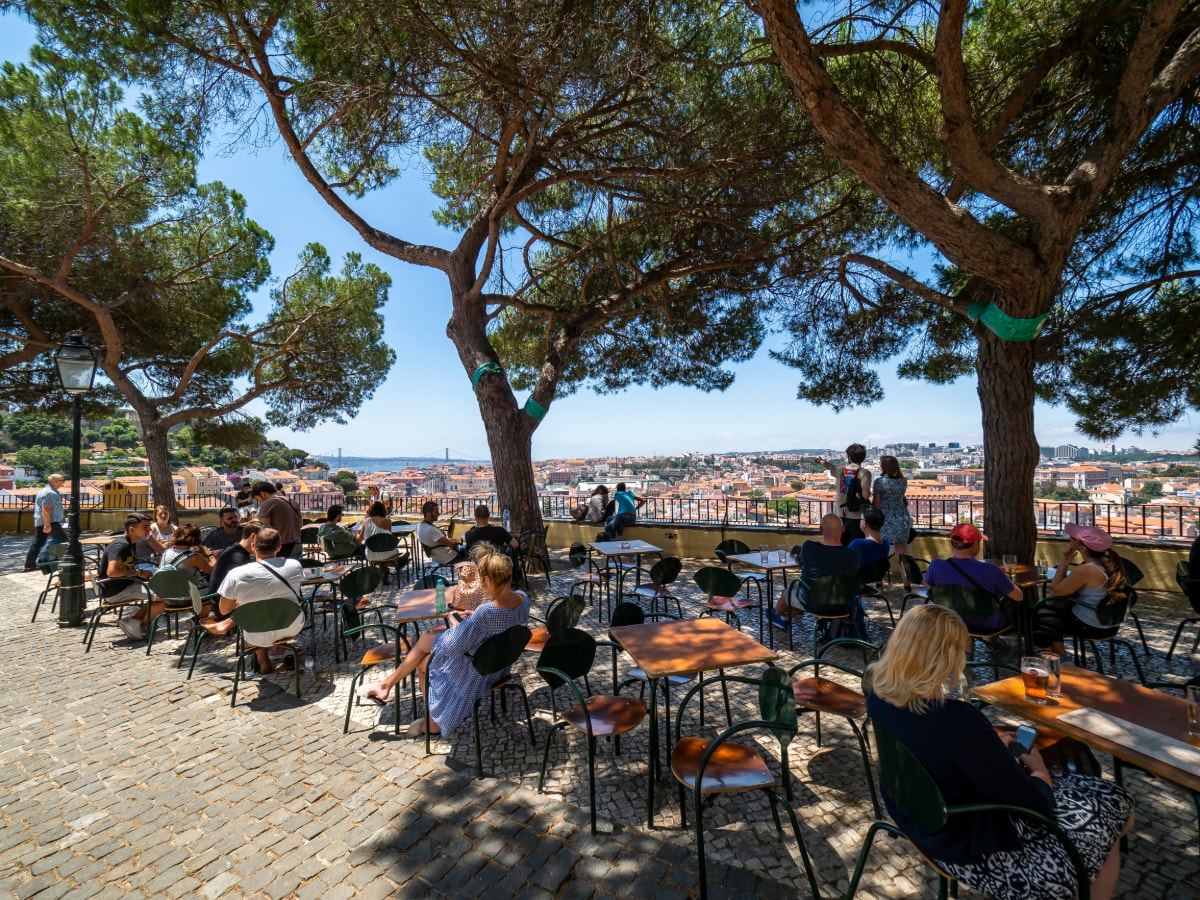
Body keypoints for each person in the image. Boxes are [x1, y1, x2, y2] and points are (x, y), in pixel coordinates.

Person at [867, 604, 1133, 900]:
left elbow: (939, 751)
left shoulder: (878, 695)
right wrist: (1039, 769)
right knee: (1119, 803)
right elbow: (1032, 805)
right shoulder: (959, 720)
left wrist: (990, 751)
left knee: (1110, 798)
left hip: (917, 815)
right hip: (968, 841)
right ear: (950, 655)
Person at [364, 544, 530, 737]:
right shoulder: (522, 599)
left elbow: (451, 646)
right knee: (428, 641)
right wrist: (472, 618)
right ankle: (386, 686)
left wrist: (454, 623)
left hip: (479, 670)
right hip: (500, 662)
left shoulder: (486, 612)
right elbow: (500, 627)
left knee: (423, 659)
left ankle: (430, 721)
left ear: (487, 580)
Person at [217, 527, 305, 674]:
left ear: (253, 547)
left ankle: (264, 663)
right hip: (291, 625)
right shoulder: (294, 565)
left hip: (255, 631)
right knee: (268, 611)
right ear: (279, 547)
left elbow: (224, 610)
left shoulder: (236, 574)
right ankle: (280, 649)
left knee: (256, 618)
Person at [1034, 524, 1129, 657]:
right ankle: (1059, 658)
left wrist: (1064, 562)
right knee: (1047, 614)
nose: (1070, 540)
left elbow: (1057, 590)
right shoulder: (1110, 563)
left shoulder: (1086, 570)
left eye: (1072, 539)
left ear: (1082, 548)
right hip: (1110, 623)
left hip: (1092, 626)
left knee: (1037, 617)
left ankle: (1061, 661)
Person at [924, 523, 1021, 636]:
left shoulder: (936, 566)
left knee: (962, 608)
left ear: (952, 543)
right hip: (987, 622)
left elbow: (927, 584)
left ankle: (969, 649)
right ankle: (992, 642)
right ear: (975, 545)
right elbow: (1018, 597)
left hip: (951, 620)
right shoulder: (991, 570)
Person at [774, 514, 860, 629]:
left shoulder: (809, 547)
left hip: (812, 603)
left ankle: (777, 617)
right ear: (843, 529)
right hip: (843, 605)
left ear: (820, 529)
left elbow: (800, 561)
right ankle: (787, 616)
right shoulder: (854, 555)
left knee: (788, 591)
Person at [104, 513, 158, 641]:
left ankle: (137, 624)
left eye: (149, 526)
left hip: (126, 585)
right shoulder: (121, 545)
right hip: (116, 591)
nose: (149, 530)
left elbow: (126, 569)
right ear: (132, 529)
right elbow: (112, 572)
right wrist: (138, 573)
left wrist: (140, 573)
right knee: (165, 597)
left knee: (163, 591)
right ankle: (135, 623)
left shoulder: (130, 543)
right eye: (145, 527)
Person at [207, 521, 262, 629]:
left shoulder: (236, 550)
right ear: (253, 536)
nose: (263, 545)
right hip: (222, 606)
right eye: (262, 541)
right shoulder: (237, 557)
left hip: (219, 600)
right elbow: (238, 587)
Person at [817, 443, 872, 544]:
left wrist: (820, 461)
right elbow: (865, 495)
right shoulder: (864, 473)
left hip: (839, 515)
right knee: (856, 547)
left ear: (849, 457)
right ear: (863, 458)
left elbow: (829, 466)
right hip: (856, 516)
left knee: (840, 544)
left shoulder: (840, 470)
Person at [873, 455, 913, 573]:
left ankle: (879, 582)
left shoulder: (879, 482)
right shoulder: (903, 481)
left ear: (882, 466)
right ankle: (907, 584)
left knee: (880, 550)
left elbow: (876, 504)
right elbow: (900, 498)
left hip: (885, 518)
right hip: (901, 517)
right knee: (901, 552)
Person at [24, 473, 67, 572]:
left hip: (46, 521)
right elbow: (46, 509)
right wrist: (47, 525)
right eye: (62, 480)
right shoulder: (50, 493)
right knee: (63, 541)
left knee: (38, 543)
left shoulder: (46, 491)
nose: (63, 482)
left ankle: (30, 564)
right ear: (55, 482)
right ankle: (56, 562)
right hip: (50, 521)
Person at [252, 481, 302, 559]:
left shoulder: (267, 504)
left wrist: (256, 523)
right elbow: (300, 524)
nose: (259, 502)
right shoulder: (291, 501)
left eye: (257, 499)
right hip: (296, 547)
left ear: (262, 494)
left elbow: (265, 531)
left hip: (279, 550)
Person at [358, 500, 398, 584]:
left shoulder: (365, 522)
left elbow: (359, 540)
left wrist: (357, 534)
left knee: (378, 550)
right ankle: (384, 570)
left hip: (371, 554)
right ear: (383, 511)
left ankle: (381, 571)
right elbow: (388, 538)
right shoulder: (388, 521)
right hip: (388, 553)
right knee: (384, 550)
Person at [417, 501, 466, 566]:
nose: (438, 514)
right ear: (428, 514)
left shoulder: (420, 526)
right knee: (471, 550)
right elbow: (451, 545)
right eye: (436, 512)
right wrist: (457, 542)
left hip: (436, 556)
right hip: (448, 557)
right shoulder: (432, 530)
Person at [849, 506, 890, 571]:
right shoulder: (886, 543)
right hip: (875, 577)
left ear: (864, 523)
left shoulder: (858, 544)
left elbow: (846, 562)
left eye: (860, 518)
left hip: (860, 579)